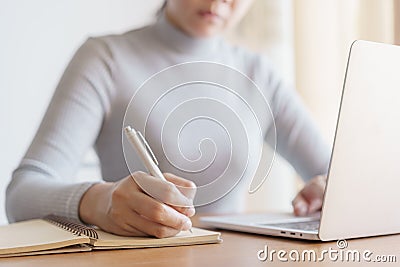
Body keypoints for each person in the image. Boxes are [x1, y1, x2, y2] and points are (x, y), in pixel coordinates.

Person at [6, 0, 330, 238]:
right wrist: (99, 202)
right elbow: (22, 194)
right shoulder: (105, 58)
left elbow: (335, 174)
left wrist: (328, 188)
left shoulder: (259, 74)